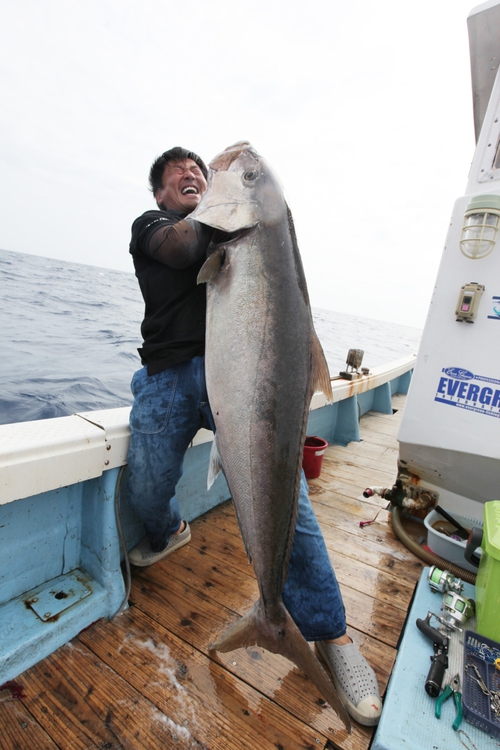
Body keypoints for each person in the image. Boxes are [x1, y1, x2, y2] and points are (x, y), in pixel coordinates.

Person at [126, 146, 382, 726]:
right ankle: (170, 530)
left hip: (241, 380)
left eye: (199, 170)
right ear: (160, 197)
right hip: (170, 376)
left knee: (290, 499)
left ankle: (330, 634)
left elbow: (281, 286)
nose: (191, 175)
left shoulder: (237, 236)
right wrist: (236, 201)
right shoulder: (156, 229)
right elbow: (185, 247)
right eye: (177, 176)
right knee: (145, 493)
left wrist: (257, 208)